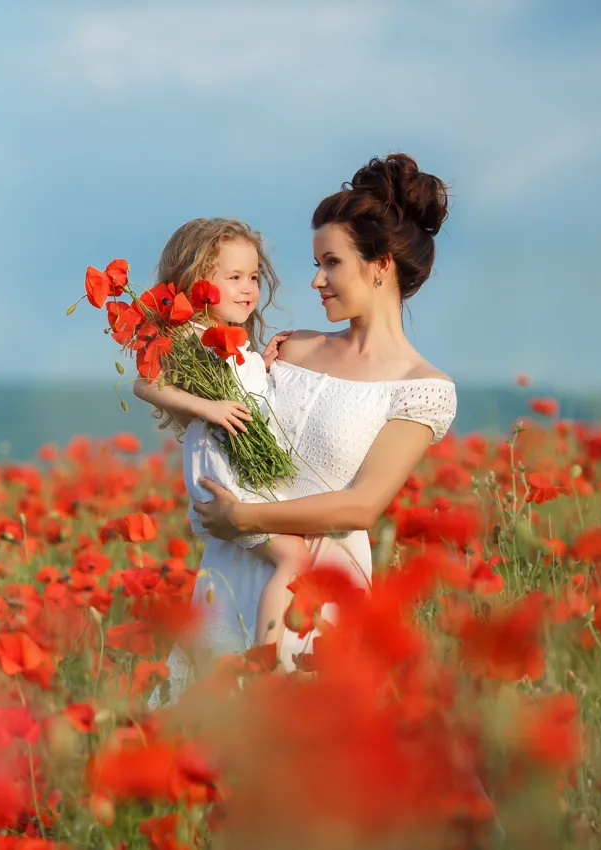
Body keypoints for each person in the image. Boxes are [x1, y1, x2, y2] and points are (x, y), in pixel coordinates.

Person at [158, 153, 458, 705]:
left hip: (321, 585)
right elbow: (228, 417)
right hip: (234, 565)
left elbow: (362, 506)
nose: (316, 280)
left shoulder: (422, 388)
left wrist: (244, 518)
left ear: (380, 266)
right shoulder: (291, 348)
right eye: (317, 262)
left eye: (332, 263)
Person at [129, 218, 306, 651]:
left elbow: (245, 394)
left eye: (253, 278)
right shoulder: (189, 336)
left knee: (285, 553)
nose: (248, 289)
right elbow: (144, 385)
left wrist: (262, 365)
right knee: (294, 557)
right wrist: (206, 407)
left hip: (240, 472)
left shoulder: (233, 342)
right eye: (234, 278)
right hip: (222, 479)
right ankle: (267, 656)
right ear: (196, 283)